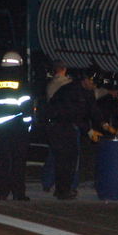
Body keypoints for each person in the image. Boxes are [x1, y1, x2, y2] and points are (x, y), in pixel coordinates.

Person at [45, 68, 109, 199]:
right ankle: (62, 190)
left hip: (70, 126)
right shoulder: (70, 91)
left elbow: (92, 109)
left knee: (71, 158)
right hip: (59, 125)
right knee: (64, 159)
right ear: (85, 80)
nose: (94, 87)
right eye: (92, 83)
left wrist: (103, 123)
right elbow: (73, 114)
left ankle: (63, 188)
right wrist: (89, 130)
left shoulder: (87, 91)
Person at [0, 50, 32, 201]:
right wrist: (28, 125)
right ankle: (18, 193)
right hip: (17, 127)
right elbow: (25, 106)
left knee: (2, 160)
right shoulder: (21, 81)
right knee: (18, 161)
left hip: (0, 128)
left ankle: (2, 192)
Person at [41, 60, 71, 192]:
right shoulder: (64, 83)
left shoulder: (51, 84)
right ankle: (68, 185)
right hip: (64, 123)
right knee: (66, 157)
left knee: (53, 154)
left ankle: (47, 182)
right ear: (64, 69)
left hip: (53, 123)